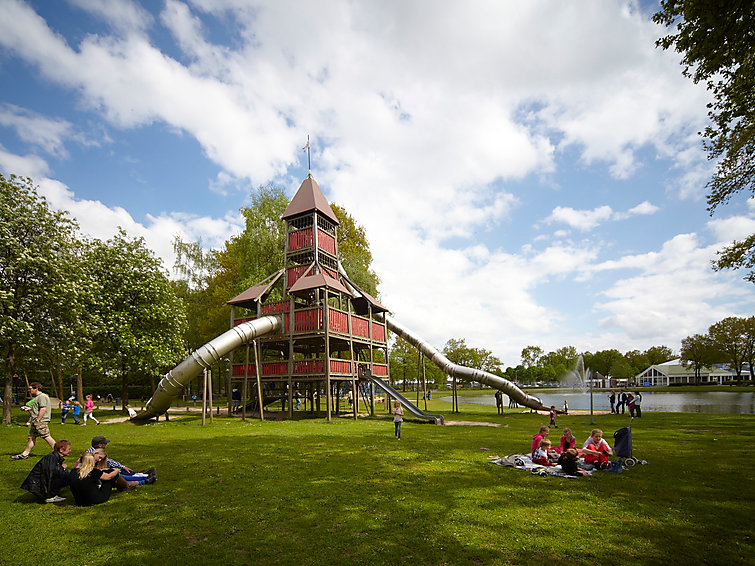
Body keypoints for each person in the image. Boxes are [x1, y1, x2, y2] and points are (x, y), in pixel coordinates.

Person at [70, 450, 135, 506]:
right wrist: (116, 471)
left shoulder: (73, 472)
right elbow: (109, 477)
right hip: (97, 499)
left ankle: (127, 485)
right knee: (112, 474)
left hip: (80, 502)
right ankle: (126, 486)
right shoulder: (93, 472)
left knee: (107, 473)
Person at [11, 382, 56, 460]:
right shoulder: (38, 397)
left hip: (40, 421)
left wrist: (38, 419)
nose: (29, 390)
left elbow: (43, 409)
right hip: (36, 420)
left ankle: (58, 452)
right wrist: (29, 409)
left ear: (36, 388)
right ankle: (25, 454)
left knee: (46, 436)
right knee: (31, 437)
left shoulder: (42, 397)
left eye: (30, 388)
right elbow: (38, 408)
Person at [85, 436, 155, 485]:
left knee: (120, 471)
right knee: (118, 474)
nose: (106, 445)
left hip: (96, 473)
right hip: (95, 476)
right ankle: (144, 477)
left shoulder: (94, 452)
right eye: (105, 443)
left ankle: (143, 476)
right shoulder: (93, 454)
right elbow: (108, 463)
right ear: (100, 445)